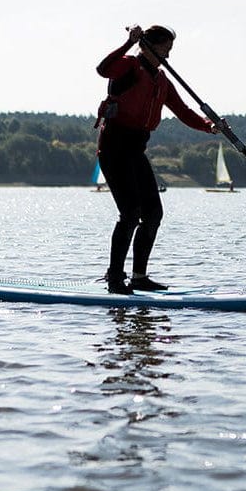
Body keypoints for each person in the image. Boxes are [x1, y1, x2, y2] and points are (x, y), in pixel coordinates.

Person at [95, 25, 217, 294]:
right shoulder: (127, 66)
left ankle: (139, 277)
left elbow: (184, 112)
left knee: (153, 214)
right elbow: (103, 69)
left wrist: (210, 125)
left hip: (136, 150)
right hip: (114, 148)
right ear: (148, 46)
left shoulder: (162, 80)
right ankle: (115, 277)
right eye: (165, 50)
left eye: (170, 51)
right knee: (130, 213)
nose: (168, 57)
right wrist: (129, 43)